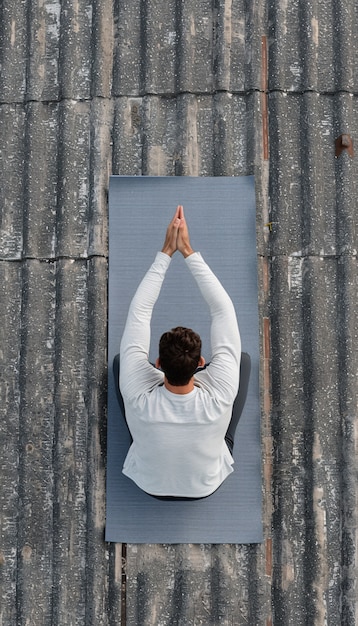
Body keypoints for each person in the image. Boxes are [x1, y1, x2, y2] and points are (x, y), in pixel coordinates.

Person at [118, 205, 245, 499]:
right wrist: (186, 250)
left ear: (158, 363)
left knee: (120, 363)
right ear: (201, 364)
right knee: (243, 362)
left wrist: (166, 252)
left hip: (148, 484)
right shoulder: (220, 393)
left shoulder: (138, 396)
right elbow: (223, 310)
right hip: (205, 487)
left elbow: (139, 312)